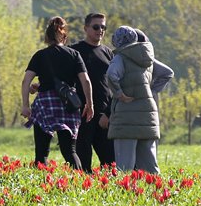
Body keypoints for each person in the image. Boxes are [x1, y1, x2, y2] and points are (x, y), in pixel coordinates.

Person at [21, 17, 93, 170]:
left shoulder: (40, 55)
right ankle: (80, 181)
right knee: (70, 151)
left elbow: (26, 81)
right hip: (68, 104)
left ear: (47, 37)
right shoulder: (74, 54)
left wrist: (25, 105)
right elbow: (86, 81)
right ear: (64, 36)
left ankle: (42, 186)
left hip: (45, 104)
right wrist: (89, 104)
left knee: (42, 153)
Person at [106, 26, 174, 174]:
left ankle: (124, 195)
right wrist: (152, 90)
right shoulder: (147, 58)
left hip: (126, 116)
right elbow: (168, 73)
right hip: (148, 116)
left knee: (125, 167)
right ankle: (154, 194)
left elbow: (111, 75)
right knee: (150, 166)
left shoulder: (120, 58)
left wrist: (119, 93)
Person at [72, 13, 115, 172]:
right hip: (81, 113)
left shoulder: (108, 53)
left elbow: (116, 85)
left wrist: (108, 113)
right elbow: (60, 75)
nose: (100, 30)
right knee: (83, 165)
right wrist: (39, 85)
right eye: (96, 27)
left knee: (111, 163)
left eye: (103, 27)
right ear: (86, 28)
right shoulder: (74, 51)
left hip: (103, 115)